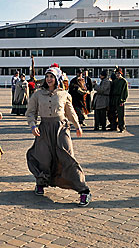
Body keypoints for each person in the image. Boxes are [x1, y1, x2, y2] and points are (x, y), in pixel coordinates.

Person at [26, 66, 91, 206]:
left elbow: (70, 112)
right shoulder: (37, 94)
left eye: (52, 76)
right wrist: (33, 125)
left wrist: (77, 126)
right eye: (47, 76)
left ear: (57, 78)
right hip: (44, 129)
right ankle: (41, 183)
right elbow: (31, 112)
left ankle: (83, 190)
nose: (49, 79)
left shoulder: (64, 94)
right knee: (43, 157)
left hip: (61, 129)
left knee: (67, 157)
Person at [108, 68, 128, 132]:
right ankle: (113, 126)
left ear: (121, 74)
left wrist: (122, 100)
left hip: (119, 99)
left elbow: (125, 92)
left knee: (120, 114)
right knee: (113, 113)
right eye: (116, 73)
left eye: (118, 73)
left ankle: (121, 127)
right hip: (114, 99)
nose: (117, 75)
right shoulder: (115, 81)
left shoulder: (123, 81)